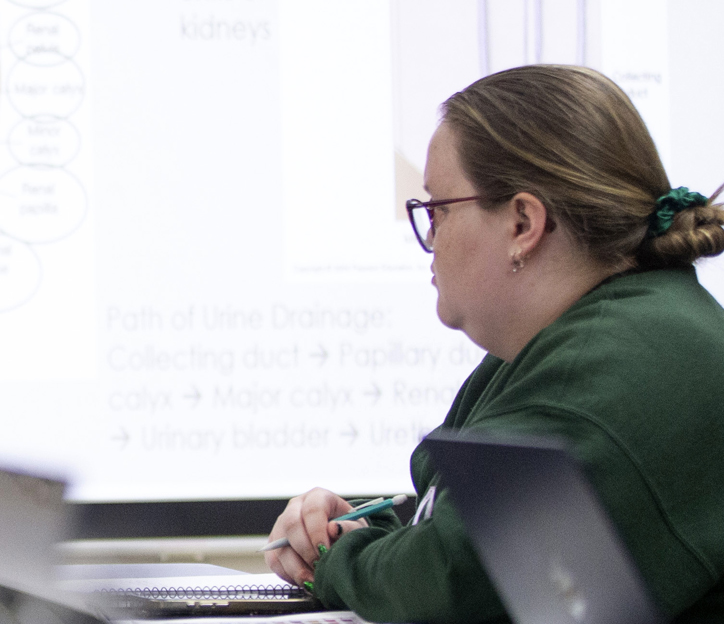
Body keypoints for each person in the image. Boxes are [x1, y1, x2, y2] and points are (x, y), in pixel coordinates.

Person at [265, 65, 724, 621]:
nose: (429, 238)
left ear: (523, 222)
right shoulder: (609, 332)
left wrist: (333, 556)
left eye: (437, 210)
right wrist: (362, 529)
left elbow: (447, 584)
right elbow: (461, 542)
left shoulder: (611, 364)